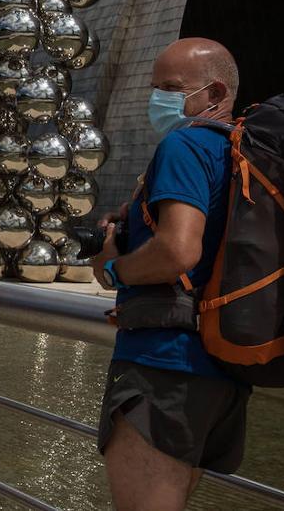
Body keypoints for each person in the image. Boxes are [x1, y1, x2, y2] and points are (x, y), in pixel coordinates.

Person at [90, 37, 248, 511]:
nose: (157, 98)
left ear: (215, 92)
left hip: (164, 365)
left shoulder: (184, 145)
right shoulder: (240, 152)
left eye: (171, 87)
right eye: (155, 86)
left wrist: (114, 269)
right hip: (223, 368)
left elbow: (178, 250)